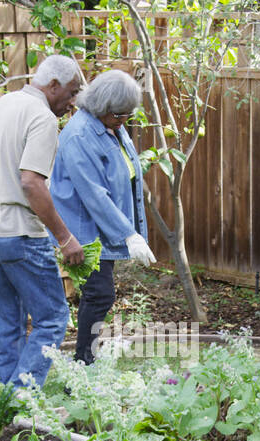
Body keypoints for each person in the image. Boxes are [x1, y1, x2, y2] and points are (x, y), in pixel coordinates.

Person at [0, 55, 85, 388]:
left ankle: (6, 406)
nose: (73, 102)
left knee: (7, 325)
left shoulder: (0, 106)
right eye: (72, 93)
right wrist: (65, 238)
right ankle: (22, 397)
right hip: (17, 234)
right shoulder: (42, 118)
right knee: (52, 318)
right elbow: (31, 182)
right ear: (53, 85)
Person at [49, 68, 156, 365]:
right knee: (99, 294)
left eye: (127, 116)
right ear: (103, 107)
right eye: (121, 115)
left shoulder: (111, 127)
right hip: (83, 232)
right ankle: (83, 365)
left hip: (101, 228)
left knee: (98, 295)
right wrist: (128, 234)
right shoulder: (80, 135)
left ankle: (84, 363)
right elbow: (94, 194)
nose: (125, 121)